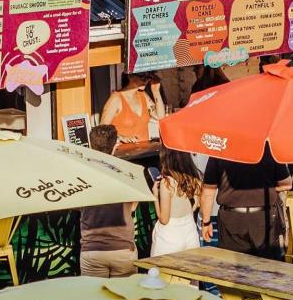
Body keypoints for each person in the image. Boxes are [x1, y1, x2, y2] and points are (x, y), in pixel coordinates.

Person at [200, 146, 293, 260]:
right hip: (263, 218)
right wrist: (265, 187)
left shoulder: (220, 150)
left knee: (232, 269)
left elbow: (208, 191)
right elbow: (287, 184)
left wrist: (206, 221)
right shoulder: (270, 150)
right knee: (267, 269)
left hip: (231, 219)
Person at [80, 123, 138, 277]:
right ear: (114, 147)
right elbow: (132, 208)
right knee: (122, 299)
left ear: (91, 145)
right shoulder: (126, 173)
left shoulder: (82, 174)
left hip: (92, 250)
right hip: (122, 249)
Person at [151, 149, 203, 257]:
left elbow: (164, 220)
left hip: (169, 237)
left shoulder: (167, 183)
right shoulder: (194, 178)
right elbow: (195, 206)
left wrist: (155, 196)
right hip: (190, 232)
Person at [102, 72, 166, 151]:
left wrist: (156, 91)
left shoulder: (143, 95)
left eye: (148, 76)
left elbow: (160, 117)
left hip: (144, 152)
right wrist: (120, 137)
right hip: (123, 154)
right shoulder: (116, 99)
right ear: (130, 76)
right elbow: (102, 130)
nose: (145, 79)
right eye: (142, 76)